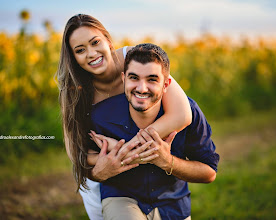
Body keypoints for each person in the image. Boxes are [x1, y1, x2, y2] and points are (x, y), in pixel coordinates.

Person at [56, 14, 192, 220]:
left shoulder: (137, 58)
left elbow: (182, 115)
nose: (91, 54)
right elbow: (78, 154)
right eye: (80, 50)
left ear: (108, 41)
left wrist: (121, 148)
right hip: (106, 181)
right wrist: (102, 166)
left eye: (95, 43)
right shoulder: (75, 90)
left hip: (155, 178)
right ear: (73, 57)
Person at [89, 43, 219, 220]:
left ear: (166, 84)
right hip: (121, 197)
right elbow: (83, 163)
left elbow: (209, 172)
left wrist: (167, 161)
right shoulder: (100, 116)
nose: (142, 88)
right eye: (134, 77)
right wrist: (99, 170)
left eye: (152, 79)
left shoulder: (189, 112)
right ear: (123, 78)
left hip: (172, 204)